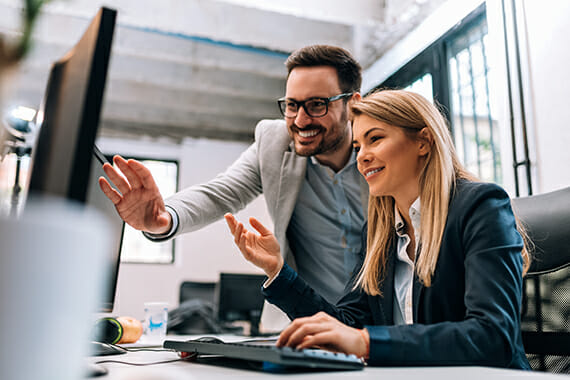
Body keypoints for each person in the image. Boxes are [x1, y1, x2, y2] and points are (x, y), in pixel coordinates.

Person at [224, 89, 531, 368]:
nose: (362, 156)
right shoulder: (379, 232)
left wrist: (367, 343)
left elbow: (493, 335)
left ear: (423, 141)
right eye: (358, 145)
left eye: (375, 139)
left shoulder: (481, 208)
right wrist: (278, 271)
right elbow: (345, 324)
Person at [98, 45, 367, 304]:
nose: (300, 120)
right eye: (292, 105)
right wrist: (165, 217)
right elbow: (221, 193)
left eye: (317, 104)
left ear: (353, 105)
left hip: (385, 323)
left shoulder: (385, 152)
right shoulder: (273, 142)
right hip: (309, 320)